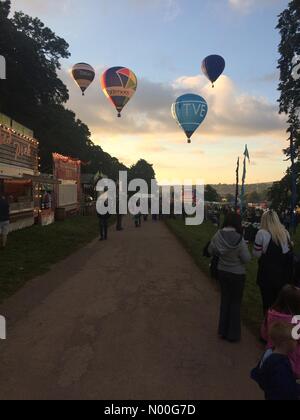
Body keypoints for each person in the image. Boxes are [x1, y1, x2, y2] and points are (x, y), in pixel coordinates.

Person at [208, 213, 251, 342]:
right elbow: (247, 259)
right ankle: (233, 333)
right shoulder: (240, 239)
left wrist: (220, 253)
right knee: (236, 303)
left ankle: (223, 330)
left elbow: (211, 250)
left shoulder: (218, 235)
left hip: (222, 271)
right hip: (237, 273)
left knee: (225, 300)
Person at [253, 210, 292, 314]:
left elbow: (256, 254)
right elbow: (287, 252)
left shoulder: (261, 233)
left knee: (267, 304)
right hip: (283, 276)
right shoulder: (285, 233)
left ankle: (267, 326)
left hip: (266, 275)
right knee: (279, 305)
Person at [251, 322, 300, 401]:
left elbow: (260, 374)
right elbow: (287, 389)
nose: (297, 343)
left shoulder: (269, 353)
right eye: (295, 340)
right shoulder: (280, 365)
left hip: (270, 394)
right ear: (286, 343)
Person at [261, 285, 300, 379]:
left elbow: (264, 334)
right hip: (292, 363)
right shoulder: (296, 322)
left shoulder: (270, 314)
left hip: (271, 356)